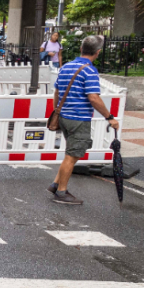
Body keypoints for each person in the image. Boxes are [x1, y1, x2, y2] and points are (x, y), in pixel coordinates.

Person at [48, 35, 120, 205]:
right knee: (72, 156)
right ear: (98, 52)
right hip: (78, 118)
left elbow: (57, 92)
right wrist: (109, 117)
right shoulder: (89, 70)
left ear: (81, 49)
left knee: (70, 153)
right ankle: (61, 192)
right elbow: (93, 98)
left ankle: (55, 184)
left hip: (64, 116)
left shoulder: (66, 67)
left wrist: (57, 110)